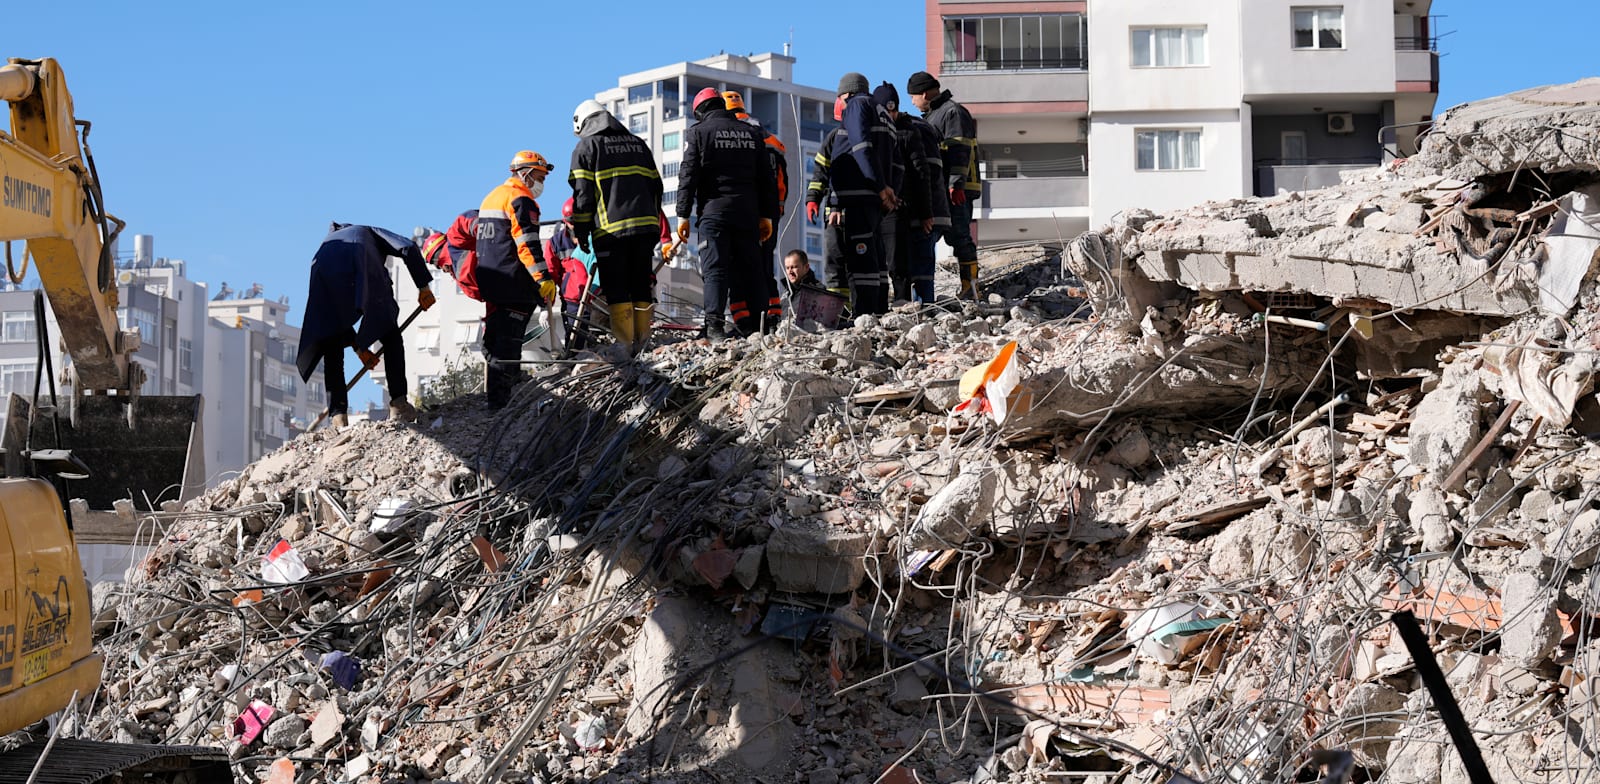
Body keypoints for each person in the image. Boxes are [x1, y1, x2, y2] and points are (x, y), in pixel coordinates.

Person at [297, 223, 436, 426]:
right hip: (361, 260)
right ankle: (399, 404)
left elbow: (336, 314)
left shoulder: (327, 246)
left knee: (332, 345)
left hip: (322, 274)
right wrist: (423, 287)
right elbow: (407, 247)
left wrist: (358, 348)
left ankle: (338, 415)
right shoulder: (368, 232)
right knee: (390, 336)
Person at [675, 88, 778, 339]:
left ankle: (714, 327)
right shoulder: (752, 134)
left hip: (714, 214)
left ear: (700, 112)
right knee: (753, 269)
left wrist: (682, 214)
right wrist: (767, 215)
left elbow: (688, 175)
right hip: (747, 214)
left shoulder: (698, 133)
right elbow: (767, 178)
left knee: (716, 270)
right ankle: (762, 327)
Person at [570, 99, 667, 354]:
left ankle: (625, 345)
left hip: (610, 232)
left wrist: (581, 231)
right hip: (645, 230)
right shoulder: (639, 144)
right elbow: (658, 187)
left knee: (617, 290)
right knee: (641, 285)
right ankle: (643, 341)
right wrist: (653, 224)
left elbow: (582, 196)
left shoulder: (587, 147)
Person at [805, 72, 897, 317]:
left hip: (856, 198)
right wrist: (886, 189)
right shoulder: (882, 112)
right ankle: (874, 311)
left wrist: (878, 187)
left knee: (860, 258)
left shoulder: (857, 106)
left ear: (846, 94)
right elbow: (824, 170)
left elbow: (853, 154)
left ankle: (860, 315)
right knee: (874, 258)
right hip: (869, 198)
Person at [476, 150, 557, 409]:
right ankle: (503, 405)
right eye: (540, 176)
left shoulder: (493, 196)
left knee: (494, 343)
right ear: (526, 173)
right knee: (509, 346)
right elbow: (527, 245)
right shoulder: (521, 199)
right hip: (513, 284)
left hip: (491, 281)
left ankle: (494, 401)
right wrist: (543, 278)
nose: (541, 182)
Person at [907, 71, 981, 299]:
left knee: (960, 236)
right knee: (938, 235)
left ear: (924, 93)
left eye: (913, 96)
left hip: (956, 189)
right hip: (943, 188)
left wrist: (955, 185)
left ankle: (971, 287)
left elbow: (959, 150)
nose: (912, 101)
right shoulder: (933, 116)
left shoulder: (952, 112)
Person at [871, 82, 944, 304]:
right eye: (886, 110)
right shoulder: (871, 130)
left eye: (893, 110)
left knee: (901, 263)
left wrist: (925, 213)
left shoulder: (909, 131)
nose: (890, 115)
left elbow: (922, 174)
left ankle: (908, 304)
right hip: (879, 209)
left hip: (902, 209)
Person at [724, 90, 789, 330]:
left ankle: (744, 321)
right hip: (770, 213)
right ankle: (771, 315)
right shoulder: (771, 139)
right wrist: (776, 211)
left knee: (737, 267)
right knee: (764, 266)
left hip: (744, 210)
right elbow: (782, 181)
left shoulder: (732, 136)